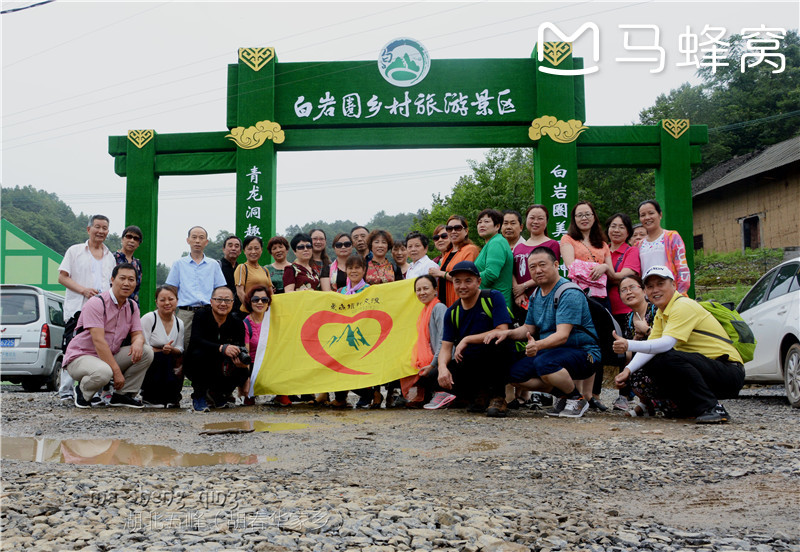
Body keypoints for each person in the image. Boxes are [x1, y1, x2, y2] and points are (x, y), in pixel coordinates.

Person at [613, 266, 744, 424]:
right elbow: (651, 347)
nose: (655, 290)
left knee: (666, 358)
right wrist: (628, 370)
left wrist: (629, 344)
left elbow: (666, 344)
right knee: (653, 362)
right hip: (709, 369)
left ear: (673, 285)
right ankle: (690, 408)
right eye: (650, 286)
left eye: (660, 284)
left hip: (728, 371)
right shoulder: (662, 313)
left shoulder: (682, 306)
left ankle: (712, 408)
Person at [491, 247, 601, 419]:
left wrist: (538, 345)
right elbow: (529, 328)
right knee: (513, 373)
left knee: (544, 362)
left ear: (556, 265)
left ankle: (576, 398)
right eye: (533, 267)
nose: (538, 270)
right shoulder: (536, 294)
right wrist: (507, 333)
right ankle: (563, 395)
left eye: (542, 265)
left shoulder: (568, 292)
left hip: (584, 353)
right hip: (552, 353)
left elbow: (563, 335)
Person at [62, 263, 154, 409]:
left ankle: (122, 395)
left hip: (108, 357)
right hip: (81, 357)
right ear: (112, 279)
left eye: (131, 279)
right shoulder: (97, 303)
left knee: (146, 351)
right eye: (122, 278)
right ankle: (83, 391)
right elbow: (99, 341)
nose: (126, 283)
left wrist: (138, 341)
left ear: (136, 283)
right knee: (104, 371)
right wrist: (117, 372)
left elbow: (137, 333)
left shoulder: (132, 306)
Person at [434, 261, 514, 417]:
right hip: (472, 360)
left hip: (498, 357)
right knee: (434, 376)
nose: (462, 286)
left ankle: (498, 397)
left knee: (496, 342)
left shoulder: (492, 297)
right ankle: (478, 394)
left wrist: (467, 339)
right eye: (457, 281)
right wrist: (442, 368)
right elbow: (446, 347)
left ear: (479, 282)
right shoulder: (452, 312)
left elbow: (502, 330)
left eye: (468, 281)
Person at [57, 214, 117, 402]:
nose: (101, 231)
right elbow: (62, 277)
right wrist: (83, 291)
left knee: (96, 348)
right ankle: (66, 390)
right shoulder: (74, 251)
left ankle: (92, 391)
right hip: (78, 309)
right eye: (97, 227)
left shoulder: (110, 257)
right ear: (88, 229)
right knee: (73, 347)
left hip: (102, 313)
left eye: (105, 228)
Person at [184, 286, 249, 412]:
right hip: (199, 362)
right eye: (219, 300)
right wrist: (221, 348)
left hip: (222, 364)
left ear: (233, 303)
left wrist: (242, 363)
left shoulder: (237, 322)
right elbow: (196, 340)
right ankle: (199, 396)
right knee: (199, 354)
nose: (223, 304)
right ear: (211, 301)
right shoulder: (201, 315)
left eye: (227, 300)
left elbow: (241, 347)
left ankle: (218, 393)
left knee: (242, 370)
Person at [165, 226, 227, 350]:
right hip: (185, 313)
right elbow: (172, 289)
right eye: (194, 237)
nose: (197, 241)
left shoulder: (213, 264)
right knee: (184, 346)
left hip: (208, 312)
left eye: (201, 238)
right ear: (188, 240)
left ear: (206, 242)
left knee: (209, 346)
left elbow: (220, 290)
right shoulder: (179, 264)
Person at [402, 275, 447, 409]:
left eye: (426, 288)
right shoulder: (424, 310)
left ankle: (441, 393)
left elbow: (443, 341)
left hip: (443, 361)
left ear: (435, 290)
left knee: (422, 374)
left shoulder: (439, 308)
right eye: (418, 289)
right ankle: (426, 395)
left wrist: (433, 365)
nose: (422, 293)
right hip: (433, 361)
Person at [614, 274, 657, 412]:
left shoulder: (656, 310)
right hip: (642, 362)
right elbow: (630, 349)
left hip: (662, 357)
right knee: (630, 370)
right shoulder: (629, 318)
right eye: (624, 290)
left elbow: (667, 339)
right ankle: (646, 404)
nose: (629, 292)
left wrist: (647, 330)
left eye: (632, 287)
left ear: (644, 290)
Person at [140, 285, 185, 408]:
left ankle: (172, 397)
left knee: (177, 359)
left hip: (169, 358)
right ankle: (150, 397)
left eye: (171, 299)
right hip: (149, 360)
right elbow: (143, 345)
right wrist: (161, 350)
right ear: (156, 302)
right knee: (161, 357)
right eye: (162, 300)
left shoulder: (179, 323)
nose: (167, 303)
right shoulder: (149, 318)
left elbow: (180, 348)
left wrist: (171, 350)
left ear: (177, 300)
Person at [511, 205, 561, 317]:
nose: (535, 221)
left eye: (540, 218)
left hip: (544, 296)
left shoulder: (552, 244)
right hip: (521, 299)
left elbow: (550, 272)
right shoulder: (518, 247)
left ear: (547, 222)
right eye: (532, 218)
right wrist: (518, 292)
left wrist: (523, 286)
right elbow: (512, 271)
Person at [560, 201, 614, 300]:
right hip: (578, 293)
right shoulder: (567, 239)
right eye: (580, 215)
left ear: (594, 217)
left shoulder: (603, 244)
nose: (584, 218)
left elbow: (612, 274)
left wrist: (605, 266)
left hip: (600, 294)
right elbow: (571, 266)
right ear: (574, 219)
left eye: (587, 214)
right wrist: (597, 268)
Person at [636, 199, 691, 294]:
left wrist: (680, 294)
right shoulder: (638, 245)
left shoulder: (672, 237)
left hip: (671, 294)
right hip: (649, 295)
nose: (647, 217)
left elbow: (682, 268)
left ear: (660, 215)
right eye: (643, 215)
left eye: (651, 213)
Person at [429, 216, 480, 306]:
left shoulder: (470, 250)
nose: (453, 231)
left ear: (466, 231)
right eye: (449, 229)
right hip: (444, 303)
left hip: (461, 303)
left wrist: (440, 273)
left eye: (457, 228)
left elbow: (465, 278)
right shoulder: (448, 253)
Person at [474, 208, 513, 308]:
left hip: (496, 305)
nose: (482, 225)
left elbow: (491, 274)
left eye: (486, 221)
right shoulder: (491, 243)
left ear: (497, 226)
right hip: (489, 303)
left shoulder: (497, 243)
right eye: (479, 222)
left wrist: (469, 280)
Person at [242, 285, 272, 406]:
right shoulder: (245, 323)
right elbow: (246, 353)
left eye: (264, 300)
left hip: (271, 362)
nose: (260, 302)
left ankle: (282, 394)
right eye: (256, 299)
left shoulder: (273, 321)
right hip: (254, 365)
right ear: (250, 302)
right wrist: (247, 379)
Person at [234, 236, 270, 314]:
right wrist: (251, 309)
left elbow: (270, 292)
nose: (253, 252)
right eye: (249, 249)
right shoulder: (242, 267)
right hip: (248, 313)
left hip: (263, 314)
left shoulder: (265, 270)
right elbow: (240, 292)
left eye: (256, 248)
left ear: (261, 250)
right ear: (244, 251)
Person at [113, 225, 143, 304]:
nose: (132, 240)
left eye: (136, 238)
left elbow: (137, 288)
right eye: (129, 236)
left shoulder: (137, 264)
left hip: (132, 305)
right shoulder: (112, 258)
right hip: (113, 303)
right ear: (122, 239)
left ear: (138, 244)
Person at [219, 235, 243, 312]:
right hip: (221, 309)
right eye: (230, 245)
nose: (233, 248)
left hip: (239, 312)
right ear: (224, 249)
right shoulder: (217, 266)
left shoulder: (242, 269)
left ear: (240, 251)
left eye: (236, 246)